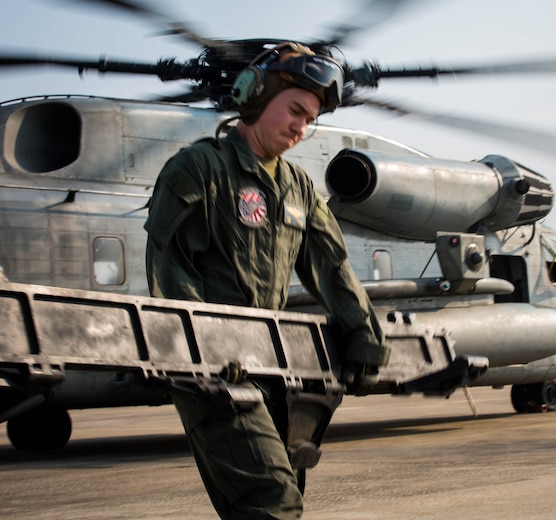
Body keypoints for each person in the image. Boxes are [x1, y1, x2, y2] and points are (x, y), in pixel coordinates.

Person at [144, 43, 391, 519]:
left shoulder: (298, 188)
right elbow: (171, 276)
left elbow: (333, 269)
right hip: (215, 374)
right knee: (273, 503)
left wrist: (364, 336)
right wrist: (208, 358)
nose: (301, 127)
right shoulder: (200, 170)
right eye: (295, 110)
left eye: (309, 119)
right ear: (255, 98)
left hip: (276, 373)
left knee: (280, 499)